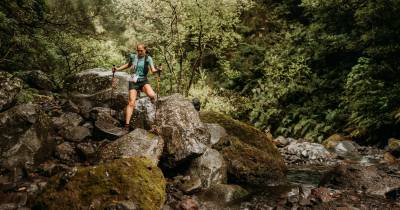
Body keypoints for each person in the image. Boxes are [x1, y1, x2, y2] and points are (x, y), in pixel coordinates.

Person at [112, 44, 161, 131]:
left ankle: (153, 112)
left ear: (145, 50)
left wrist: (158, 70)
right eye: (138, 50)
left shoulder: (148, 58)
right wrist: (117, 69)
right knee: (131, 102)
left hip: (143, 81)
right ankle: (126, 125)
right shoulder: (133, 57)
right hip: (133, 81)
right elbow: (128, 65)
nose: (139, 52)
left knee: (152, 95)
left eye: (141, 50)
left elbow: (153, 70)